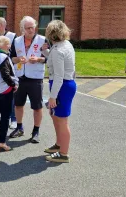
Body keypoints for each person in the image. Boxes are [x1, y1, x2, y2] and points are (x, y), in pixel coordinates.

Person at [9, 16, 47, 143]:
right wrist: (19, 59)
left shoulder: (42, 40)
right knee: (18, 104)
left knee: (37, 107)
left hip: (35, 78)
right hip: (20, 77)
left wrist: (38, 59)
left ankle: (36, 131)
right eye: (28, 28)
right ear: (22, 29)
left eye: (33, 27)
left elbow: (48, 58)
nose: (31, 30)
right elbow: (12, 58)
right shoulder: (17, 41)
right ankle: (19, 128)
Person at [43, 20, 76, 163]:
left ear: (50, 34)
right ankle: (59, 145)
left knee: (62, 121)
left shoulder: (58, 50)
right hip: (64, 85)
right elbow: (56, 60)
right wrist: (46, 52)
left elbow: (58, 76)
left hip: (61, 86)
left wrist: (52, 97)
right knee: (57, 117)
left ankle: (63, 153)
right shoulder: (64, 45)